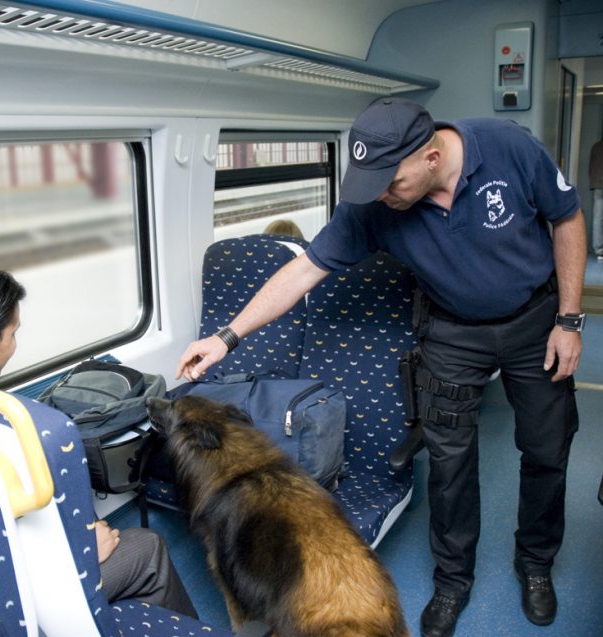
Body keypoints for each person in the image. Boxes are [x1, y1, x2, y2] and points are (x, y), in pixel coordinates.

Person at [177, 98, 585, 637]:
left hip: (536, 319)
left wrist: (570, 320)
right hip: (452, 332)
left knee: (546, 448)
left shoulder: (508, 148)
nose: (381, 195)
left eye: (391, 181)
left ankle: (535, 564)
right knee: (449, 462)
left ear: (432, 157)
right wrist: (227, 337)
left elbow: (567, 220)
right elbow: (304, 271)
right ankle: (452, 581)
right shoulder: (375, 202)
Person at [0, 260, 197, 617]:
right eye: (13, 333)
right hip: (8, 598)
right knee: (148, 550)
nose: (14, 345)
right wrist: (81, 550)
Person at [589, 136, 603, 261]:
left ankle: (598, 249)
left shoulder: (596, 146)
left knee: (597, 218)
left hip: (597, 184)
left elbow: (591, 166)